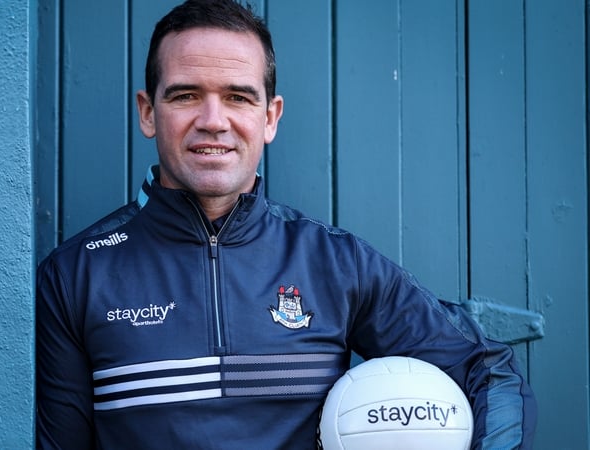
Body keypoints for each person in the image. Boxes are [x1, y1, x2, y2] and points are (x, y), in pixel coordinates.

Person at [35, 0, 536, 448]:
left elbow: (486, 369)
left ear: (270, 117)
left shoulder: (333, 263)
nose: (213, 120)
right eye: (186, 95)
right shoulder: (76, 275)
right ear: (148, 113)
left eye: (238, 97)